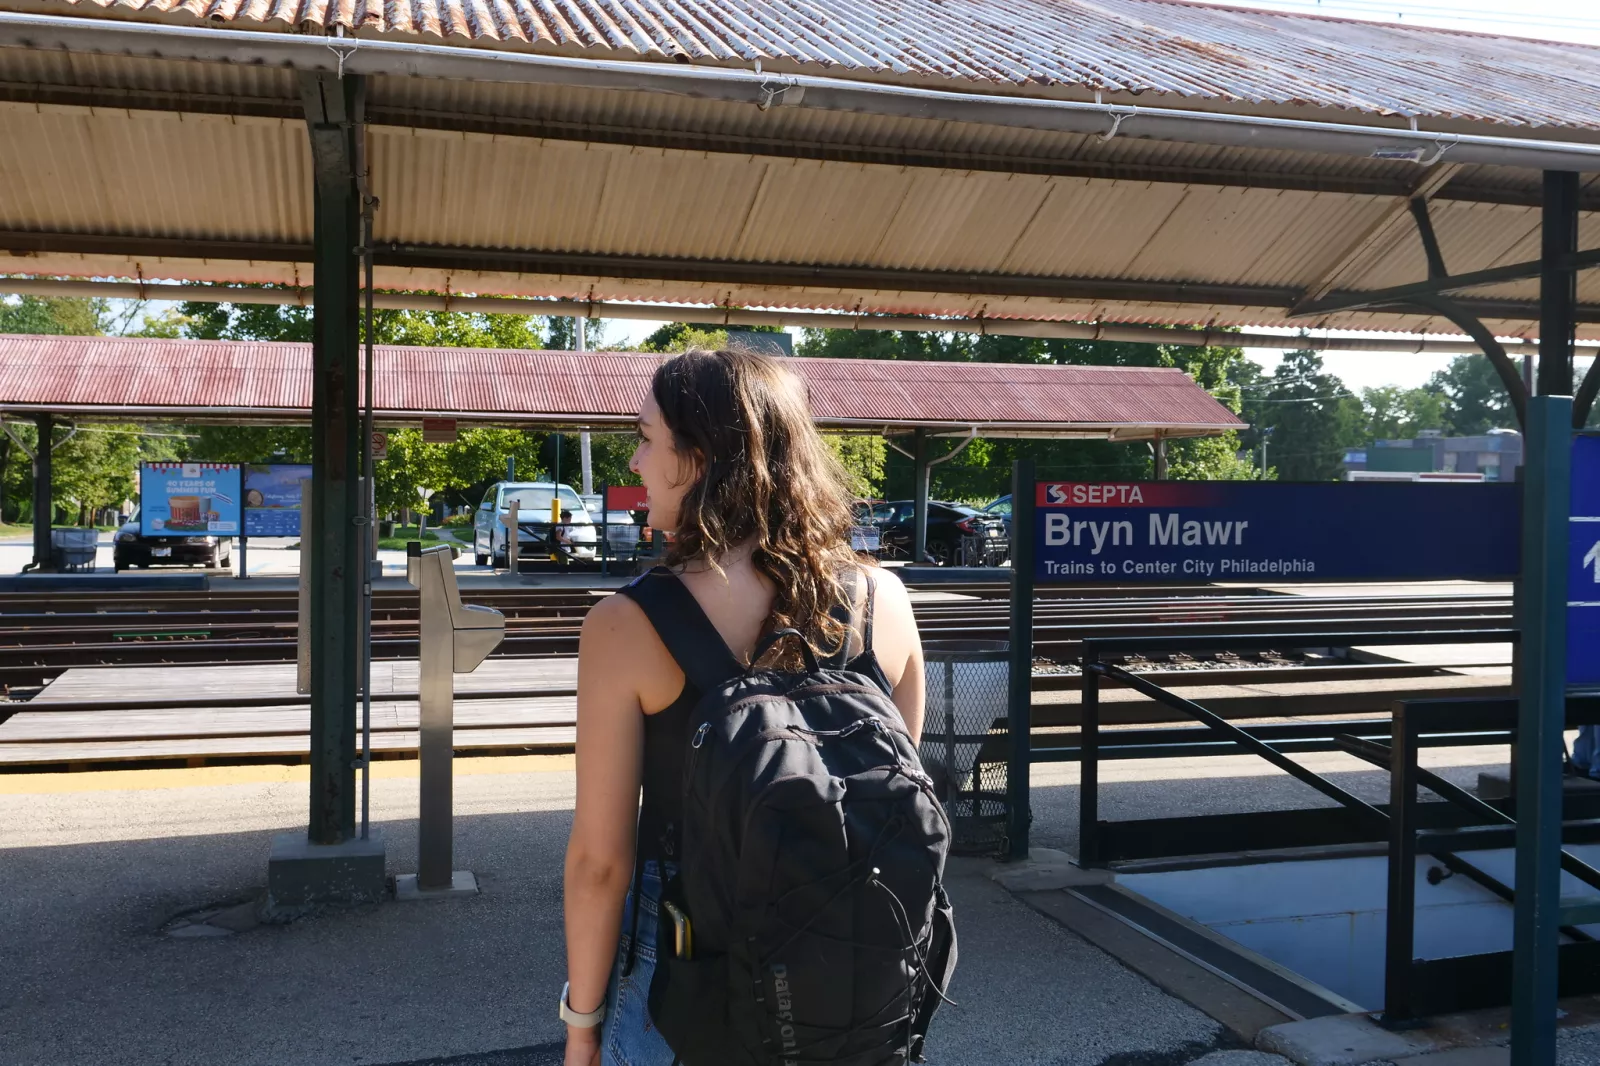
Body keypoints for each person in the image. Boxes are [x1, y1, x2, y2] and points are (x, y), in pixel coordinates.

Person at [561, 348, 928, 1066]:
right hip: (848, 978)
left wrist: (581, 1027)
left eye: (645, 438)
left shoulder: (625, 625)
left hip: (686, 968)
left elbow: (601, 864)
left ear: (696, 459)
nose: (635, 462)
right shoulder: (885, 600)